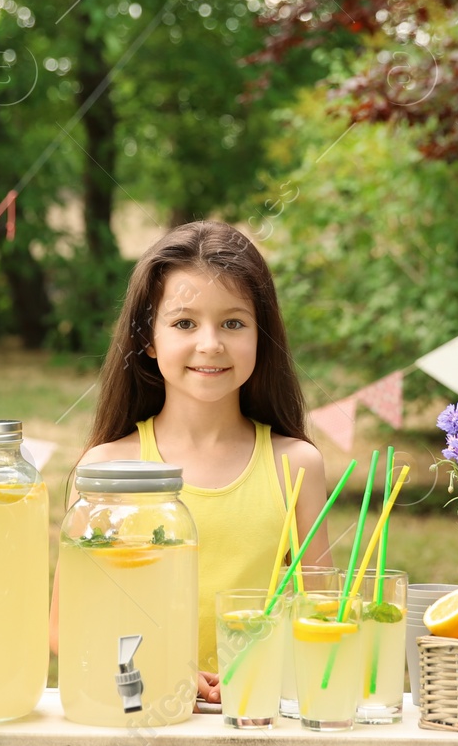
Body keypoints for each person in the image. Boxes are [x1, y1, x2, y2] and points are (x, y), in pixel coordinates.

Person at [49, 221, 332, 707]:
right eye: (184, 323)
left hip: (259, 739)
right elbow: (63, 628)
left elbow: (324, 619)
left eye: (233, 323)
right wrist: (163, 666)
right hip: (136, 733)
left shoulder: (297, 466)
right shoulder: (107, 469)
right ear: (149, 339)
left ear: (262, 335)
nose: (211, 344)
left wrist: (258, 668)